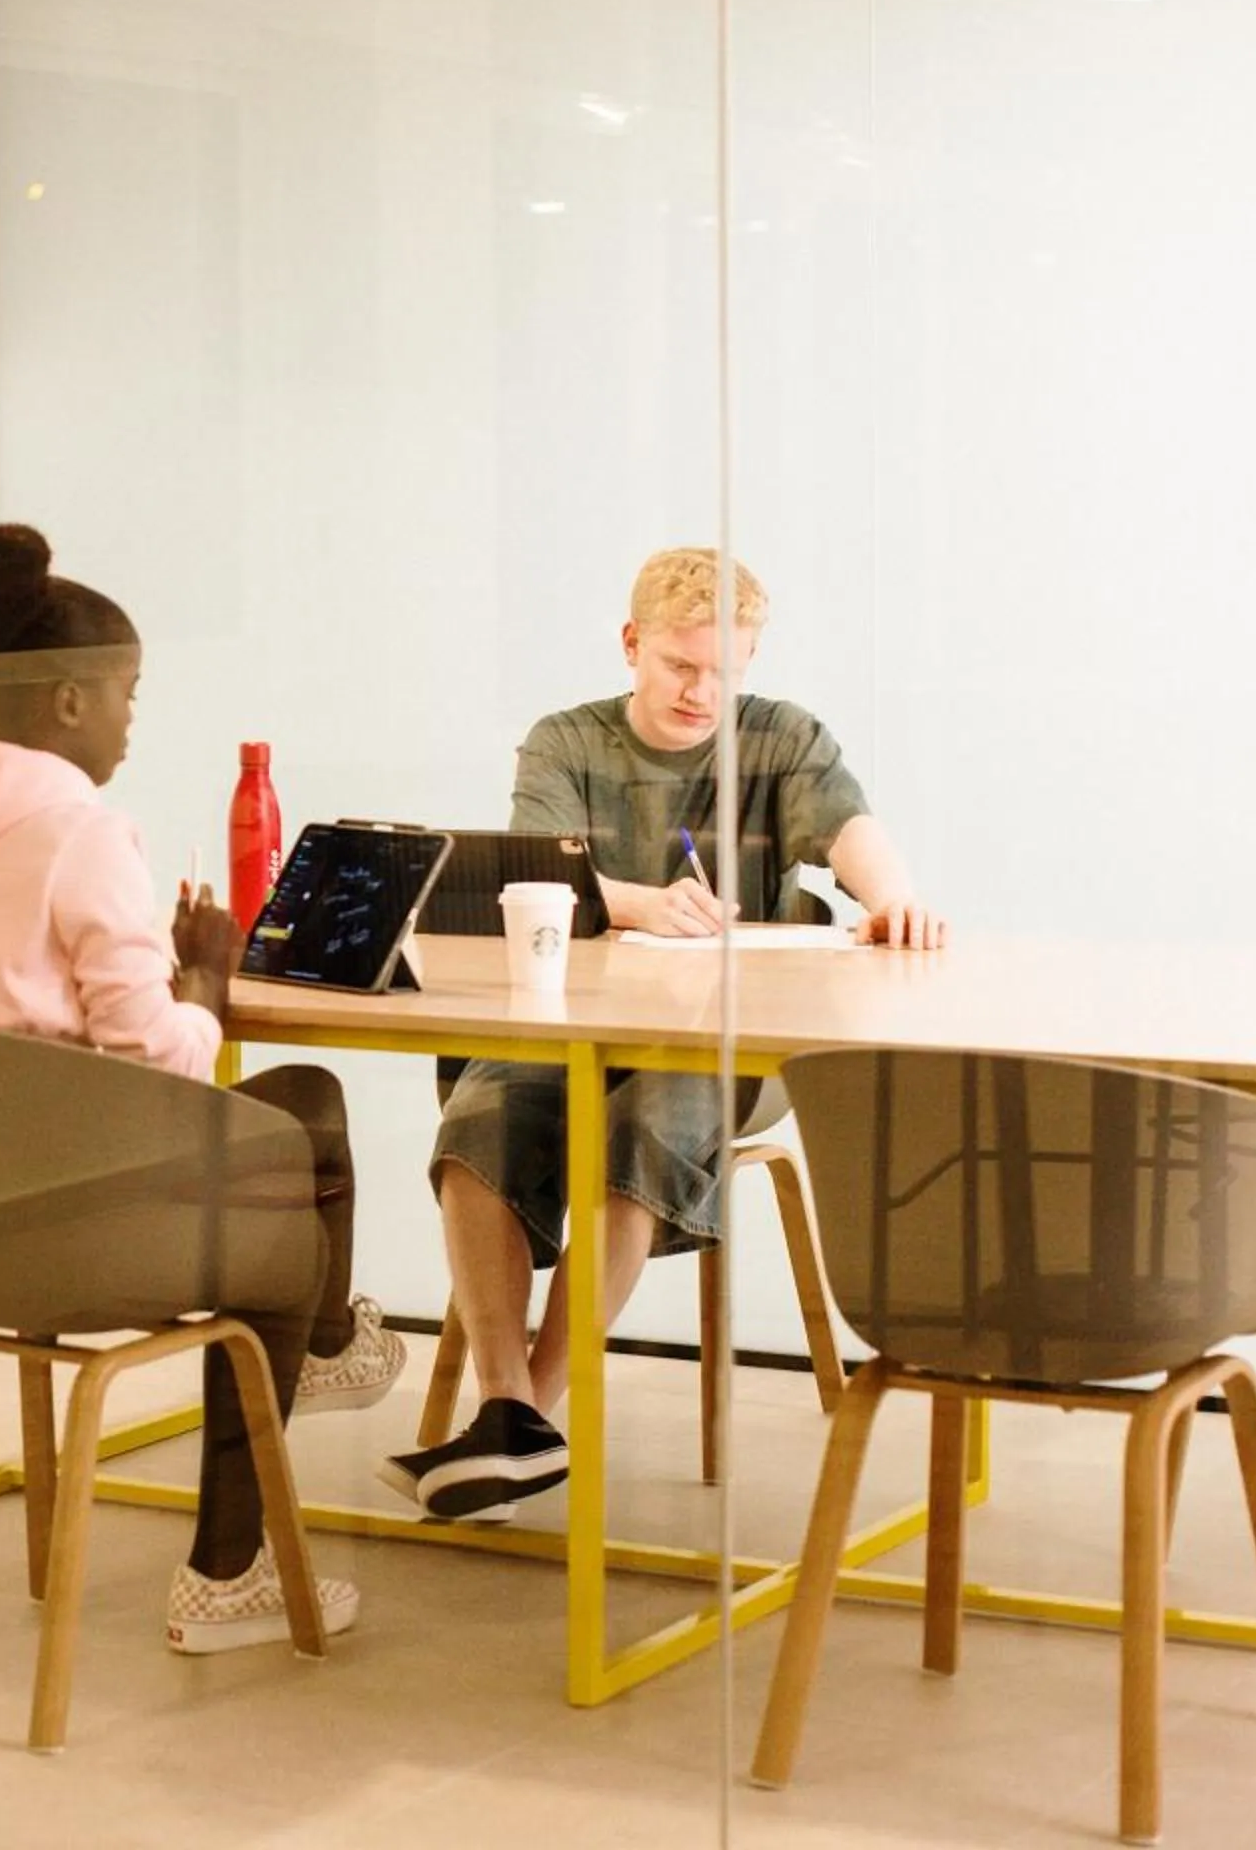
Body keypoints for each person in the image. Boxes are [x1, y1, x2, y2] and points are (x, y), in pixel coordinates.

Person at [0, 521, 406, 1651]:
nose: (129, 719)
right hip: (80, 1232)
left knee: (299, 1098)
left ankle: (320, 1347)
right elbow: (155, 1055)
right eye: (127, 693)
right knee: (290, 1180)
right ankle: (230, 1560)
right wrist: (201, 974)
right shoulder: (77, 831)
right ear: (68, 701)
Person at [378, 547, 948, 1521]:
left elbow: (851, 827)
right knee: (478, 1119)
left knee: (639, 1125)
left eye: (728, 668)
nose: (704, 691)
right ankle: (508, 1416)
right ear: (633, 643)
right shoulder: (566, 742)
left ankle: (523, 1420)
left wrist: (893, 897)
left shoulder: (778, 738)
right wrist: (644, 903)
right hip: (572, 1023)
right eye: (683, 665)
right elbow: (536, 874)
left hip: (725, 1048)